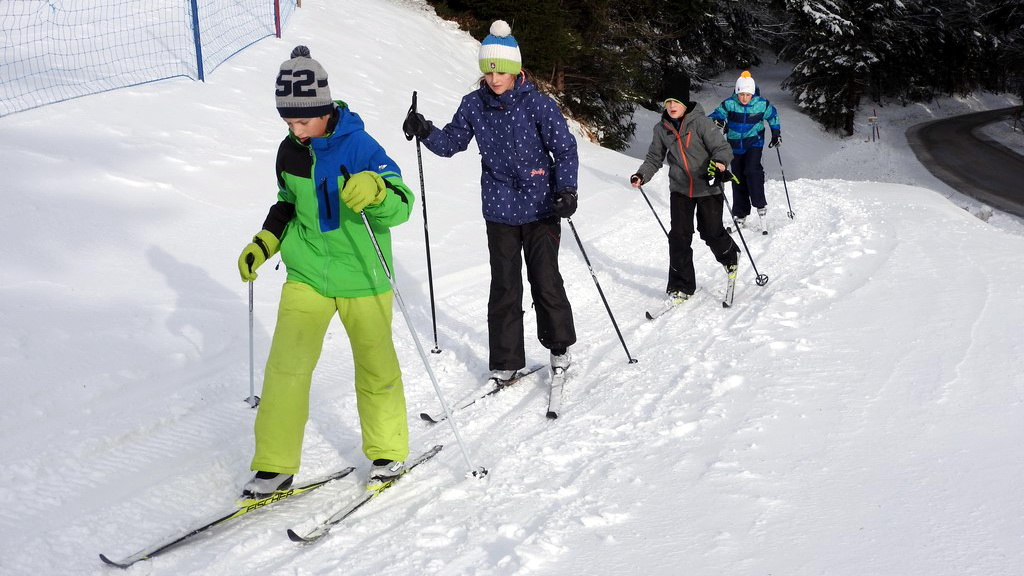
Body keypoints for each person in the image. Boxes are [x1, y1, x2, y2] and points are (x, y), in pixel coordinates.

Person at [237, 46, 416, 495]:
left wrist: (376, 188)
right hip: (307, 274)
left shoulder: (360, 145)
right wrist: (264, 242)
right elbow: (286, 204)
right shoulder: (289, 151)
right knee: (286, 368)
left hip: (363, 275)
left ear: (324, 110)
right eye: (288, 123)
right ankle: (274, 465)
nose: (296, 131)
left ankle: (387, 452)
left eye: (303, 121)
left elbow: (401, 205)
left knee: (376, 367)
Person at [402, 20, 578, 383]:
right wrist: (425, 129)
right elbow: (451, 143)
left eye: (501, 70)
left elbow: (564, 149)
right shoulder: (474, 105)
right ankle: (506, 361)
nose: (494, 78)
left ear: (515, 69)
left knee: (545, 281)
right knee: (504, 287)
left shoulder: (539, 105)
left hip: (542, 206)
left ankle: (559, 348)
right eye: (488, 69)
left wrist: (568, 191)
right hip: (499, 208)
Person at [630, 70, 740, 303]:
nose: (671, 106)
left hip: (707, 187)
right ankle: (682, 286)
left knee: (710, 232)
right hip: (680, 189)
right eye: (668, 102)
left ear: (684, 102)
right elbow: (654, 157)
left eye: (676, 102)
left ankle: (730, 256)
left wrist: (719, 164)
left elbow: (722, 148)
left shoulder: (701, 123)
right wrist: (642, 175)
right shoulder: (661, 129)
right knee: (679, 237)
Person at [708, 70, 782, 229]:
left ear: (753, 93)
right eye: (742, 94)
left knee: (752, 170)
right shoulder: (729, 103)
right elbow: (714, 115)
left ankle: (760, 204)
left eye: (748, 95)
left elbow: (773, 116)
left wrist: (776, 133)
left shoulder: (762, 104)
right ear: (737, 92)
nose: (744, 98)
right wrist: (717, 121)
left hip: (753, 143)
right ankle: (740, 213)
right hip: (734, 146)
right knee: (737, 177)